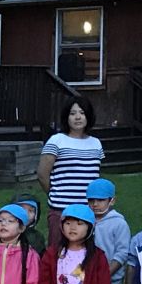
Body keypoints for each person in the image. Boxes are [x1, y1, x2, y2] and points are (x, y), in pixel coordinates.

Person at [37, 98, 105, 251]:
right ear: (66, 117)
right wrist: (55, 193)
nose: (78, 117)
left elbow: (94, 176)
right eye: (73, 113)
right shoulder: (57, 140)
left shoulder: (96, 143)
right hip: (61, 210)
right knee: (57, 253)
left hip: (87, 211)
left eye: (82, 113)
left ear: (88, 116)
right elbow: (42, 174)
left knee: (85, 254)